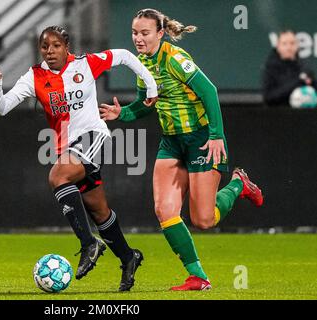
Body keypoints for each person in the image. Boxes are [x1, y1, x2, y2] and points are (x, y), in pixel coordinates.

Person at [100, 8, 264, 291]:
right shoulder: (142, 63)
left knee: (204, 219)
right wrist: (123, 114)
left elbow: (209, 91)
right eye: (134, 33)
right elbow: (145, 103)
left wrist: (216, 136)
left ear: (160, 34)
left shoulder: (175, 59)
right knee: (164, 210)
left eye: (144, 33)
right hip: (172, 142)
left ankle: (239, 184)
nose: (138, 38)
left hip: (200, 139)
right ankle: (198, 277)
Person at [0, 25, 158, 291]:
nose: (50, 51)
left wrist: (150, 86)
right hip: (68, 148)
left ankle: (89, 243)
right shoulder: (34, 77)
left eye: (56, 45)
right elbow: (1, 108)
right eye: (45, 46)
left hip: (93, 137)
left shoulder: (85, 64)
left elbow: (124, 55)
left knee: (57, 176)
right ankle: (129, 257)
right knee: (99, 212)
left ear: (66, 45)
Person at [263, 30, 316, 106]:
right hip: (278, 114)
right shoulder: (270, 68)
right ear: (278, 46)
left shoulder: (304, 68)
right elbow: (268, 98)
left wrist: (312, 82)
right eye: (284, 44)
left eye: (292, 43)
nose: (289, 47)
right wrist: (298, 82)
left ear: (297, 46)